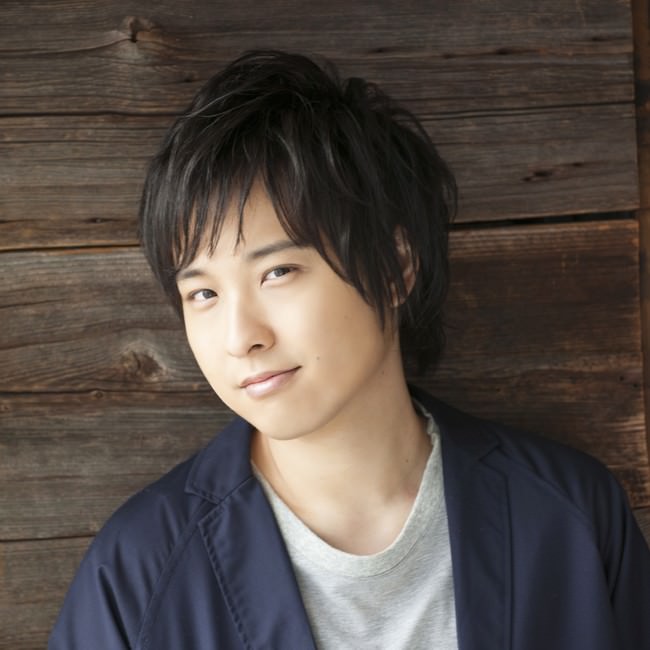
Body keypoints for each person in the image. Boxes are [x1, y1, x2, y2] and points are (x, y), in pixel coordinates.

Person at [49, 50, 650, 650]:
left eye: (278, 272)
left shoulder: (572, 516)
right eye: (203, 292)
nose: (240, 337)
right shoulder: (136, 574)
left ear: (395, 267)